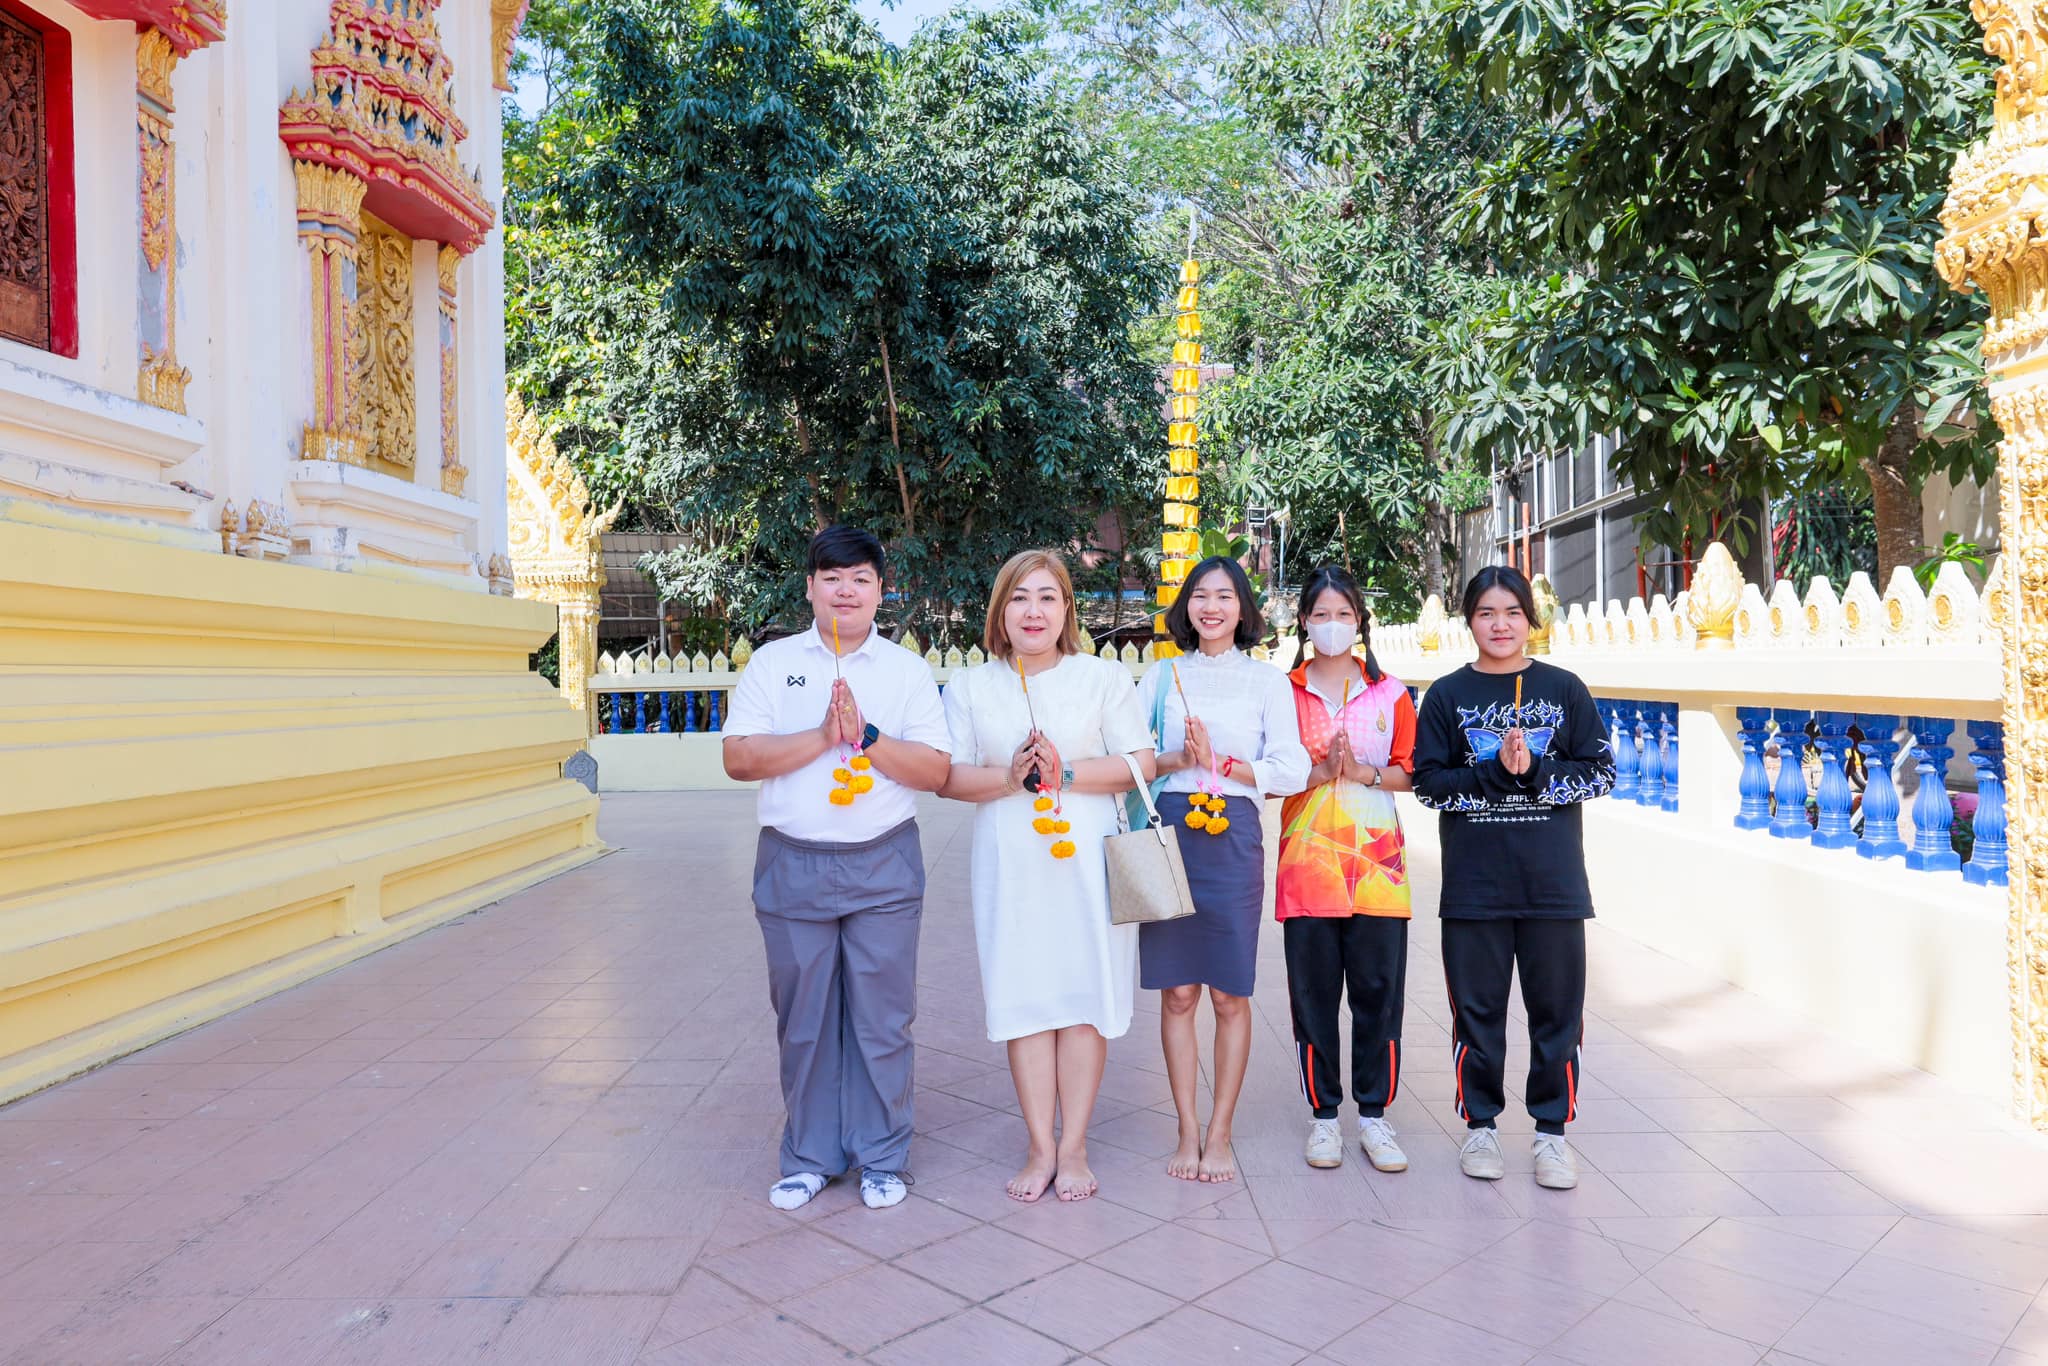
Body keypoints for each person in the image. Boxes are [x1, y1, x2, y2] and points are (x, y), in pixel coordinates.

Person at [722, 526, 952, 1212]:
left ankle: (883, 1156)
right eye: (832, 578)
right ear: (810, 587)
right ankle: (810, 1156)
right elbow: (739, 758)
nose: (845, 591)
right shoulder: (774, 664)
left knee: (883, 1019)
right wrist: (824, 736)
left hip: (883, 862)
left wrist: (866, 736)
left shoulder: (905, 671)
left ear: (881, 591)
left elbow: (934, 770)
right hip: (792, 862)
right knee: (805, 1019)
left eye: (860, 579)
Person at [940, 550, 1155, 1203]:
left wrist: (1067, 774)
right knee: (1025, 999)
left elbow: (1141, 763)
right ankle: (1039, 1147)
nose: (1033, 611)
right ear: (999, 611)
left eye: (1047, 597)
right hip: (1010, 865)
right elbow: (949, 777)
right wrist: (1010, 778)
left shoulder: (1101, 679)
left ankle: (1074, 1146)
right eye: (1019, 598)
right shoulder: (971, 688)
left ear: (1066, 610)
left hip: (1088, 861)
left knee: (1084, 1001)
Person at [1411, 564, 1615, 1191]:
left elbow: (1602, 772)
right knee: (1478, 1013)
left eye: (1512, 613)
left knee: (1557, 1014)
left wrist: (1537, 771)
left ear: (1531, 619)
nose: (1500, 625)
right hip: (1474, 888)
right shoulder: (1446, 696)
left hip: (1554, 886)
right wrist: (1496, 771)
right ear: (1468, 621)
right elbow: (1429, 785)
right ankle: (1481, 1127)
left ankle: (1551, 1133)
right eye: (1486, 613)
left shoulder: (1564, 688)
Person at [1135, 557, 1307, 1183]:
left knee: (1230, 994)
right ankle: (1186, 1129)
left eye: (1225, 596)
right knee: (1179, 992)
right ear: (1186, 606)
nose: (1211, 607)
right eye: (1201, 596)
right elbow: (1131, 759)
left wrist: (1223, 763)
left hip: (1232, 837)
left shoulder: (1267, 682)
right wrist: (1179, 758)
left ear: (1243, 608)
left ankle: (1220, 1131)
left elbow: (1290, 768)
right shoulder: (1161, 676)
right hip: (1171, 832)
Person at [1273, 565, 1417, 1174]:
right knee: (1313, 998)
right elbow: (1268, 775)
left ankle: (1375, 1117)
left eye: (1343, 614)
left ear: (1360, 621)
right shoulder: (1281, 692)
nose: (1332, 625)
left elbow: (1411, 772)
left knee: (1379, 997)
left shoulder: (1391, 693)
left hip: (1378, 871)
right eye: (1321, 615)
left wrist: (1362, 773)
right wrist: (1316, 772)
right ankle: (1325, 1118)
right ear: (1304, 622)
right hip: (1307, 869)